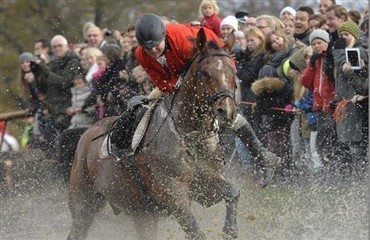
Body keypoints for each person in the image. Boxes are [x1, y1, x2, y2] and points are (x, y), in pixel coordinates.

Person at [109, 13, 280, 182]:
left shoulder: (182, 40)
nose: (153, 50)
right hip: (179, 75)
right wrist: (172, 87)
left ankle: (262, 153)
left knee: (227, 113)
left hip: (212, 66)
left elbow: (219, 60)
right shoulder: (141, 54)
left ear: (163, 36)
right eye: (148, 48)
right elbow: (160, 79)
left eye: (156, 45)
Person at [332, 21, 369, 176]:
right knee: (347, 143)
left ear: (354, 35)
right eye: (341, 35)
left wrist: (338, 51)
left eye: (346, 34)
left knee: (355, 143)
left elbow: (345, 68)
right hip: (345, 101)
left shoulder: (356, 51)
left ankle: (359, 177)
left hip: (355, 103)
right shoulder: (347, 50)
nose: (343, 37)